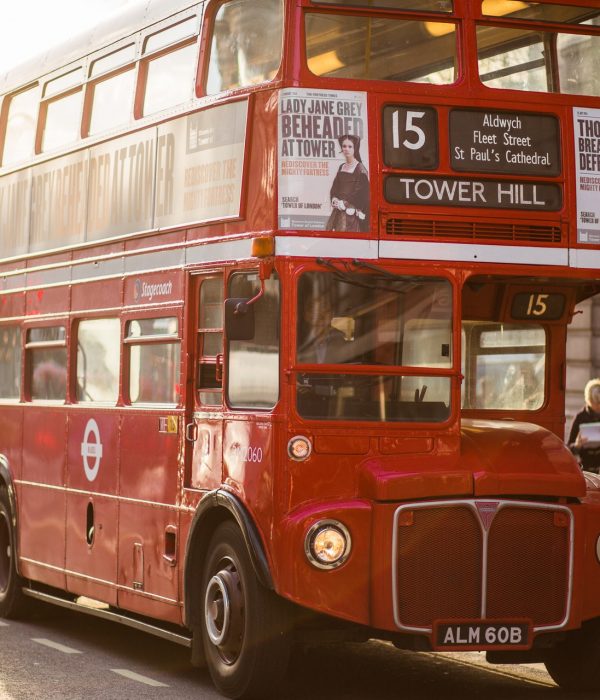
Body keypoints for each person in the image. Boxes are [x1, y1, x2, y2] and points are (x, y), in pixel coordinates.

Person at [326, 135, 369, 233]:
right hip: (338, 212)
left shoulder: (360, 169)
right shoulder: (341, 167)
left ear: (355, 148)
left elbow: (361, 193)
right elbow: (335, 188)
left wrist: (344, 203)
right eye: (344, 146)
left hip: (352, 215)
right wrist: (334, 198)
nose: (346, 149)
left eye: (350, 146)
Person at [568, 378, 600, 473]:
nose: (598, 406)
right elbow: (568, 448)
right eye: (596, 404)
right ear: (589, 400)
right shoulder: (580, 417)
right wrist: (577, 446)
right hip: (585, 469)